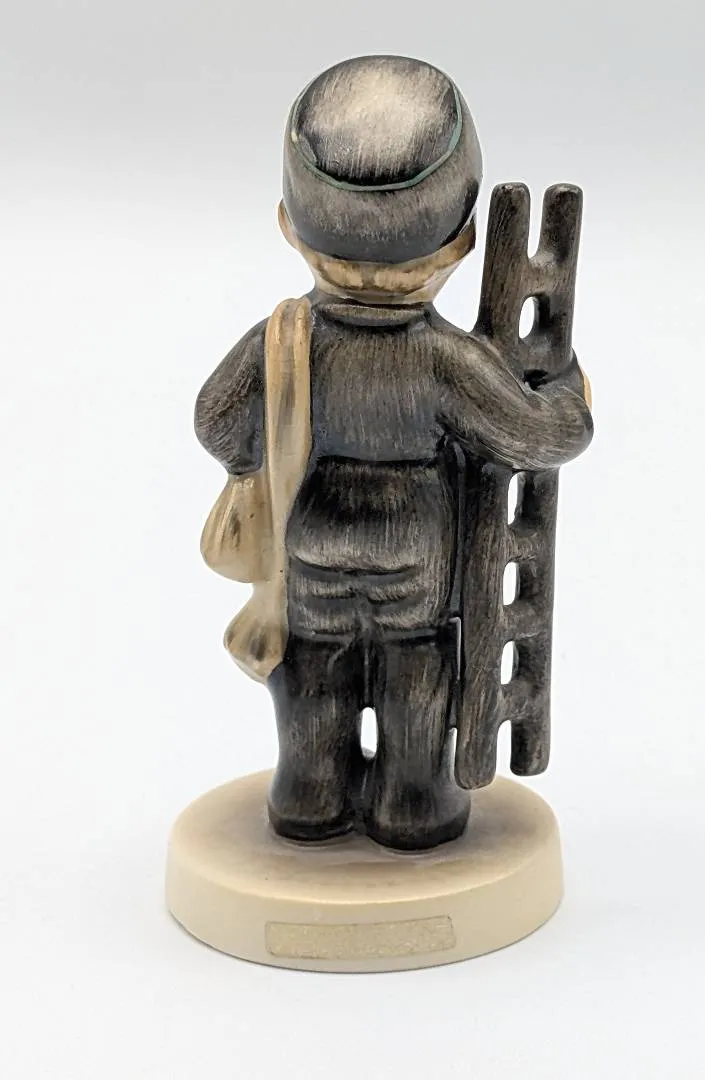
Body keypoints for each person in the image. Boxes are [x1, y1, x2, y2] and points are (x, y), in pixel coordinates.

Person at [195, 55, 593, 850]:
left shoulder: (284, 341)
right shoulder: (446, 361)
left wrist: (251, 466)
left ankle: (309, 793)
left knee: (315, 672)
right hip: (416, 564)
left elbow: (215, 420)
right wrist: (564, 386)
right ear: (461, 241)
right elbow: (542, 437)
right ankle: (414, 803)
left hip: (311, 554)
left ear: (287, 225)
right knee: (416, 673)